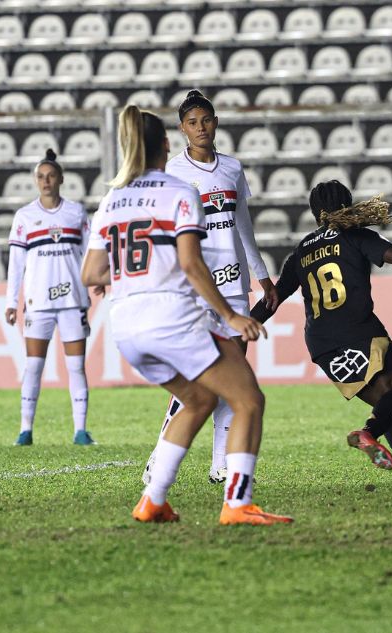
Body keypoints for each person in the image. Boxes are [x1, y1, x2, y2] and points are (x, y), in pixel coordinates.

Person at [82, 104, 291, 526]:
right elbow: (193, 266)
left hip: (125, 327)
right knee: (248, 399)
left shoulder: (112, 198)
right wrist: (231, 317)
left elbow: (91, 273)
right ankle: (237, 503)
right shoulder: (180, 192)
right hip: (171, 318)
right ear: (166, 144)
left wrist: (124, 272)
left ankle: (152, 499)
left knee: (196, 399)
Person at [249, 181, 392, 480]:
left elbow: (272, 299)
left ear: (316, 212)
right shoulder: (355, 236)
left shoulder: (301, 251)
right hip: (359, 330)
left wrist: (240, 328)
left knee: (386, 401)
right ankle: (367, 433)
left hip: (321, 344)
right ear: (349, 204)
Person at [143, 89, 278, 486]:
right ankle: (160, 452)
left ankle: (221, 462)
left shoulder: (233, 168)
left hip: (234, 282)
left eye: (206, 120)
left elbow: (243, 226)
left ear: (216, 122)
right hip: (196, 284)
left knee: (232, 374)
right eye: (192, 122)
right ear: (182, 129)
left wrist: (262, 274)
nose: (200, 128)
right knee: (195, 376)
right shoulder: (173, 172)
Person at [5, 150, 95, 446]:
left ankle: (80, 431)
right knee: (33, 366)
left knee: (76, 366)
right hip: (38, 303)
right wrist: (11, 301)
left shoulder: (76, 212)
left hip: (73, 300)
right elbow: (16, 263)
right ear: (35, 180)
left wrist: (97, 280)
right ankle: (25, 429)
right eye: (41, 176)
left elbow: (89, 251)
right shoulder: (25, 216)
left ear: (61, 179)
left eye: (51, 175)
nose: (46, 181)